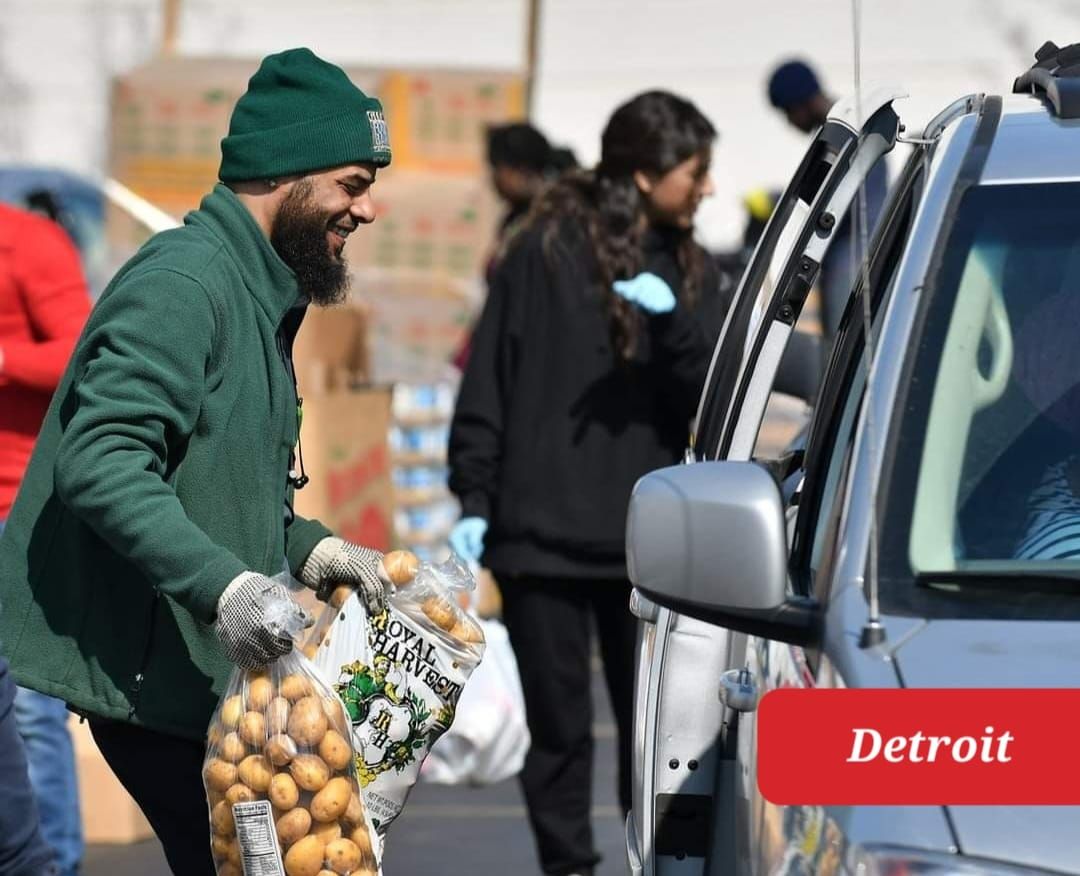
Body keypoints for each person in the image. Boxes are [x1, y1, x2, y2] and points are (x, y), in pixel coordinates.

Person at [0, 47, 393, 874]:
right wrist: (226, 587)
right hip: (163, 687)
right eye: (353, 185)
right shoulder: (185, 284)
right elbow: (100, 461)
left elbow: (229, 487)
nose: (367, 210)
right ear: (287, 173)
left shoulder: (261, 294)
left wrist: (314, 548)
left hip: (215, 682)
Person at [448, 90, 728, 876]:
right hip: (538, 542)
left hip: (646, 550)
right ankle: (569, 868)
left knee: (656, 733)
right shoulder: (542, 251)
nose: (706, 188)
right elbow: (489, 382)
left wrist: (674, 325)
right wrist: (474, 494)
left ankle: (655, 861)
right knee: (560, 732)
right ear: (644, 174)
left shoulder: (688, 267)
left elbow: (708, 396)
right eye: (694, 171)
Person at [0, 199, 91, 876]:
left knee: (29, 709)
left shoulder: (29, 242)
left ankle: (53, 864)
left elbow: (85, 352)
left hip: (17, 510)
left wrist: (3, 357)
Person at [767, 58, 888, 342]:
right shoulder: (844, 128)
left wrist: (778, 204)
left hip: (853, 262)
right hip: (848, 257)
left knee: (841, 350)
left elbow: (826, 199)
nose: (789, 122)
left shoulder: (843, 133)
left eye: (788, 112)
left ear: (801, 104)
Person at [453, 123, 577, 370]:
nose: (492, 180)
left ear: (518, 170)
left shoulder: (552, 223)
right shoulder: (519, 220)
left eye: (495, 169)